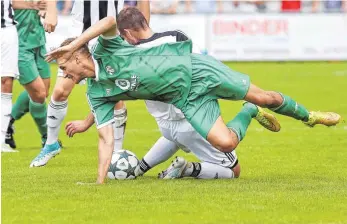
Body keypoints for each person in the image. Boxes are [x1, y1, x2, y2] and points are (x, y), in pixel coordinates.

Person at [46, 10, 341, 184]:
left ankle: (310, 116)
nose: (64, 72)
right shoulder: (96, 93)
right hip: (187, 101)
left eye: (64, 65)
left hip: (198, 71)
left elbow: (110, 20)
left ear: (75, 55)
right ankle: (248, 112)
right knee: (226, 141)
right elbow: (106, 138)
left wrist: (76, 42)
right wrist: (99, 184)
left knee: (266, 97)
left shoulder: (106, 48)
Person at [28, 0, 150, 167]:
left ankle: (116, 156)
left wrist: (144, 31)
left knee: (116, 97)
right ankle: (51, 144)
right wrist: (51, 9)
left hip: (111, 34)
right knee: (60, 91)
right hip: (79, 32)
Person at [3, 0, 57, 155]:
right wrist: (33, 5)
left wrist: (47, 9)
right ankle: (47, 136)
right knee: (39, 94)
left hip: (39, 41)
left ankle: (8, 121)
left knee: (42, 92)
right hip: (19, 45)